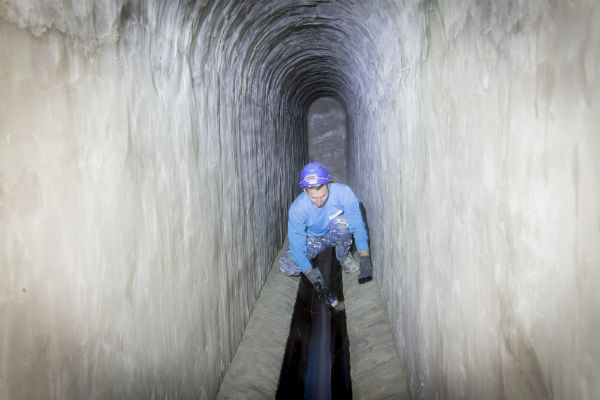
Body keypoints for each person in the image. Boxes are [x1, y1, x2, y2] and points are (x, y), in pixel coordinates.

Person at [279, 162, 374, 308]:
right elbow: (298, 248)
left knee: (344, 224)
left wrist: (365, 258)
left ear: (328, 184)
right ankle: (315, 260)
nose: (319, 202)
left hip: (334, 232)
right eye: (313, 198)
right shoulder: (297, 209)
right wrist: (316, 281)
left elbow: (357, 225)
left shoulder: (344, 193)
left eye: (323, 196)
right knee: (288, 266)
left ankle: (343, 255)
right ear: (305, 190)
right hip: (312, 238)